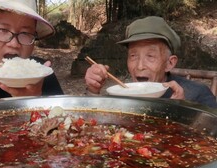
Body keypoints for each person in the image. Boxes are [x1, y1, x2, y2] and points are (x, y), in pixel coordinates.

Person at [85, 16, 217, 108]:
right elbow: (96, 122)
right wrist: (93, 90)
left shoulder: (197, 95)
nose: (140, 66)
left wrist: (181, 110)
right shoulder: (123, 94)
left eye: (150, 56)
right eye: (133, 55)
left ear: (169, 63)